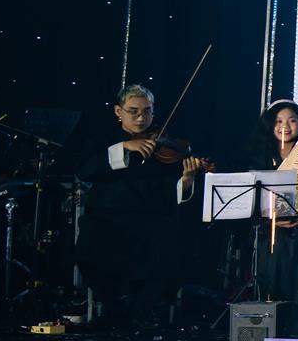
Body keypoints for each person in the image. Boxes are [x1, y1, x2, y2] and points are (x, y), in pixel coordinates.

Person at [73, 84, 207, 327]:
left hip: (151, 217)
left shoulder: (165, 145)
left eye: (147, 111)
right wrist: (124, 147)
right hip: (108, 217)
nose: (141, 118)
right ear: (118, 111)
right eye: (133, 111)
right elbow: (85, 170)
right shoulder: (102, 139)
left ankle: (142, 310)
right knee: (90, 248)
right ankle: (113, 308)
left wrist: (187, 179)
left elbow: (171, 190)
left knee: (172, 245)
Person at [247, 99, 298, 302]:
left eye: (292, 120)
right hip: (271, 235)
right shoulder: (259, 158)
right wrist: (270, 219)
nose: (285, 126)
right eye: (278, 121)